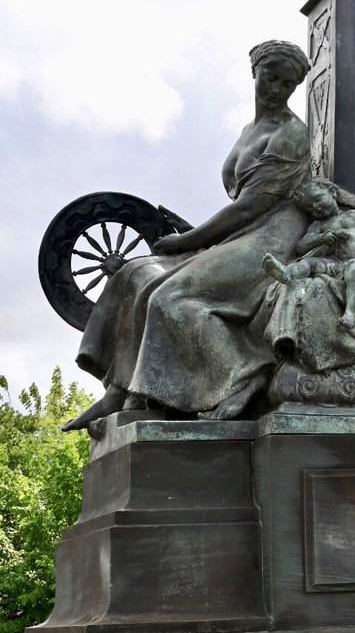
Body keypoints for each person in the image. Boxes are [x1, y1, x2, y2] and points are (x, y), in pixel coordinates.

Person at [63, 40, 313, 429]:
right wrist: (198, 233)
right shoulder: (249, 131)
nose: (277, 89)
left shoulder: (292, 133)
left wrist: (188, 241)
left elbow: (249, 207)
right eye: (271, 77)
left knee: (169, 298)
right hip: (243, 233)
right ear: (255, 72)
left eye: (287, 84)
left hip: (272, 240)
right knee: (132, 274)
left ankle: (246, 373)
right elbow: (243, 208)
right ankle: (117, 391)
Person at [262, 179, 355, 329]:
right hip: (336, 263)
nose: (315, 207)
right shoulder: (318, 225)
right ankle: (287, 273)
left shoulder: (352, 215)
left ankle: (350, 313)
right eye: (310, 208)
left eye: (317, 199)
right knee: (309, 263)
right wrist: (321, 238)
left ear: (332, 192)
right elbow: (301, 246)